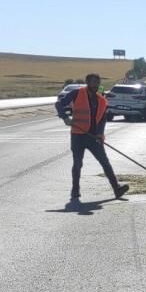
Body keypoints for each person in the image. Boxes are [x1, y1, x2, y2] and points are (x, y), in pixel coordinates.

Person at [55, 73, 129, 203]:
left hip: (93, 137)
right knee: (78, 163)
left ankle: (116, 188)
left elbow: (102, 119)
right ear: (88, 82)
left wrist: (100, 134)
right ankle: (75, 190)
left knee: (105, 162)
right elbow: (59, 104)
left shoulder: (101, 100)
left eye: (97, 83)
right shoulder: (77, 93)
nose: (96, 85)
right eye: (93, 82)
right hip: (78, 135)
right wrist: (65, 117)